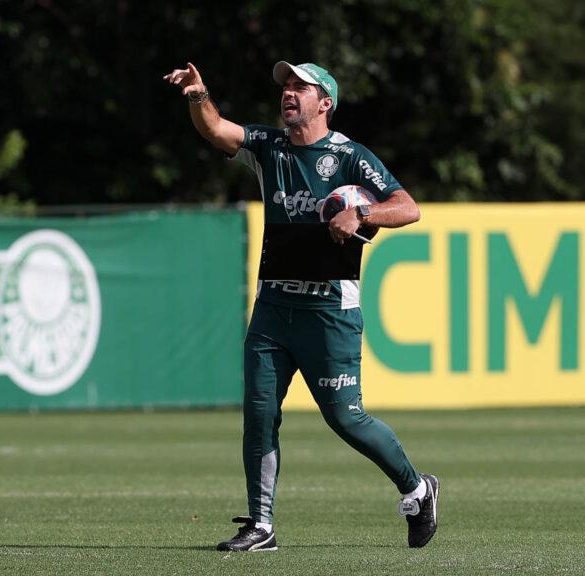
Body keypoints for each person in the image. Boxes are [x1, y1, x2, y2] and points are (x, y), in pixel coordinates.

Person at [163, 61, 438, 551]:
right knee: (260, 414)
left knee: (346, 419)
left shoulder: (350, 157)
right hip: (272, 310)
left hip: (330, 311)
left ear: (324, 102)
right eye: (285, 86)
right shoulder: (270, 147)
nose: (288, 93)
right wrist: (197, 94)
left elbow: (408, 206)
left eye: (300, 87)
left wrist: (364, 212)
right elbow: (215, 129)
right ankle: (261, 525)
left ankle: (417, 489)